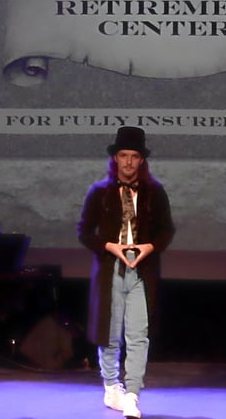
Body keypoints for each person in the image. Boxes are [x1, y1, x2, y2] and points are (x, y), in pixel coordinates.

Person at [77, 126, 175, 418]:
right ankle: (111, 386)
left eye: (134, 156)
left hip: (141, 271)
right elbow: (83, 231)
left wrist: (149, 247)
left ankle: (132, 393)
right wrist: (109, 246)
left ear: (141, 160)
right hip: (111, 269)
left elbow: (166, 230)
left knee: (138, 335)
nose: (129, 162)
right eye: (124, 156)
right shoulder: (99, 192)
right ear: (115, 158)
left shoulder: (154, 193)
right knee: (109, 333)